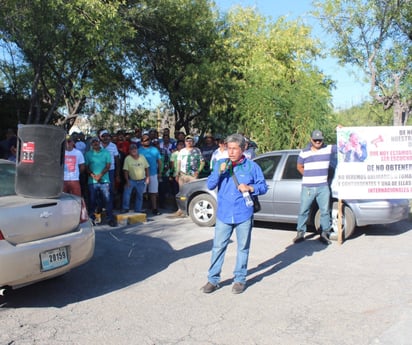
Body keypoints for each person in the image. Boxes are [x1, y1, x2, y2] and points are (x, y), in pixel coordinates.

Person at [201, 133, 268, 294]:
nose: (230, 152)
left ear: (243, 149)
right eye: (228, 148)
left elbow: (263, 187)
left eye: (234, 149)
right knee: (218, 247)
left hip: (243, 213)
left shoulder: (252, 167)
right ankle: (213, 279)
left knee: (243, 248)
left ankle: (239, 279)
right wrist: (219, 172)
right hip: (224, 213)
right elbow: (210, 185)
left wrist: (251, 188)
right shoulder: (220, 164)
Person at [293, 129, 337, 245]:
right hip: (308, 187)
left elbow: (343, 146)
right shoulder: (304, 152)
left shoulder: (328, 149)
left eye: (320, 140)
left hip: (323, 186)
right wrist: (308, 175)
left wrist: (341, 132)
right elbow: (299, 166)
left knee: (325, 211)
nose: (318, 142)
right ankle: (300, 233)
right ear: (311, 139)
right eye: (315, 140)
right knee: (304, 210)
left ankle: (324, 234)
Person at [84, 137, 117, 227]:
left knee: (107, 200)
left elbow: (108, 165)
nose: (95, 143)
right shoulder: (88, 154)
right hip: (92, 181)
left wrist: (100, 175)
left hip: (105, 180)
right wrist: (93, 176)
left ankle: (110, 218)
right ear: (91, 144)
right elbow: (86, 167)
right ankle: (92, 218)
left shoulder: (106, 152)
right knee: (92, 200)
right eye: (93, 142)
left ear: (99, 143)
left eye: (97, 141)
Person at [170, 135, 205, 217]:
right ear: (185, 142)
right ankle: (181, 210)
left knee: (194, 192)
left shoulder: (197, 150)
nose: (189, 142)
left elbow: (202, 161)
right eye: (187, 141)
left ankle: (193, 209)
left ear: (193, 142)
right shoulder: (182, 151)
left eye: (190, 141)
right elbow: (178, 162)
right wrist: (177, 173)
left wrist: (198, 171)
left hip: (193, 175)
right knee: (182, 193)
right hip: (182, 174)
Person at [121, 144, 149, 213]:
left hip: (141, 180)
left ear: (137, 150)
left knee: (140, 196)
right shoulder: (127, 158)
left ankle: (138, 209)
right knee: (127, 194)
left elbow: (147, 168)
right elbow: (125, 171)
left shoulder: (142, 157)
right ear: (129, 151)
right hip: (131, 180)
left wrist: (148, 177)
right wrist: (127, 181)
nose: (134, 150)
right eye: (131, 149)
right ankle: (125, 208)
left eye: (135, 148)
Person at [139, 133, 162, 215]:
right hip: (141, 174)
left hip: (153, 173)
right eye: (145, 140)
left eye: (148, 139)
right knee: (142, 192)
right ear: (141, 142)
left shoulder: (155, 150)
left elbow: (159, 162)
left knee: (153, 192)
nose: (147, 141)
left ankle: (154, 209)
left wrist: (160, 172)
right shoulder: (139, 150)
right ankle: (141, 208)